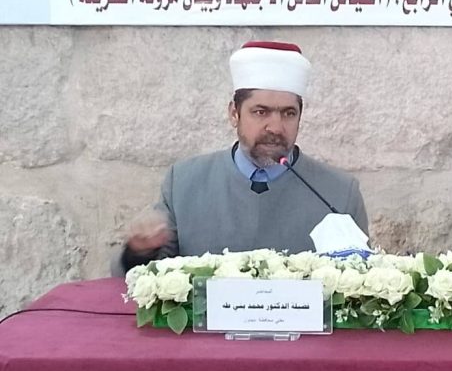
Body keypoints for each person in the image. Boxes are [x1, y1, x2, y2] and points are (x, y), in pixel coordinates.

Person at [112, 41, 368, 276]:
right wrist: (140, 252)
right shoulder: (184, 182)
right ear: (234, 113)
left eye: (288, 113)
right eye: (261, 112)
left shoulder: (339, 193)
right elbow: (147, 279)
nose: (276, 127)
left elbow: (360, 284)